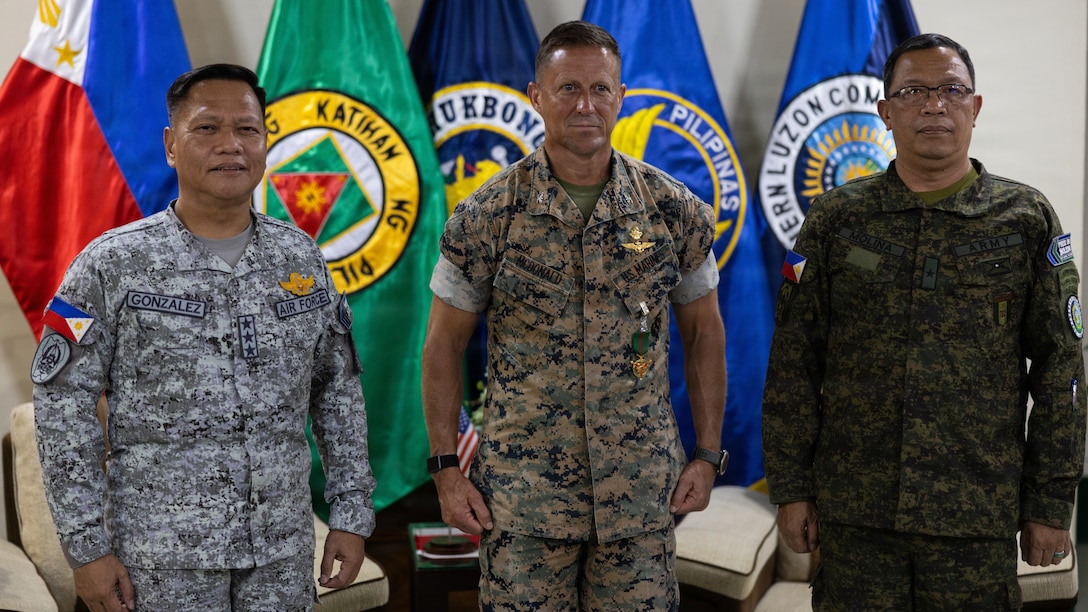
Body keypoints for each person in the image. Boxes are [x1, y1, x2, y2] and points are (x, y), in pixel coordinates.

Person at [30, 63, 375, 611]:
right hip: (161, 562)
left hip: (281, 554)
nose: (230, 146)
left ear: (265, 142)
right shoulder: (111, 265)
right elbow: (62, 405)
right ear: (171, 144)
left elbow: (337, 392)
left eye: (246, 129)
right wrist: (86, 549)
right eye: (207, 129)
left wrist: (351, 514)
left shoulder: (301, 260)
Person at [762, 33, 1087, 610]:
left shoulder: (1026, 219)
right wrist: (791, 488)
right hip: (857, 515)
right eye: (914, 91)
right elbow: (792, 362)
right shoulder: (836, 219)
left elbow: (1062, 374)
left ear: (976, 107)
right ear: (885, 110)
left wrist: (1049, 503)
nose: (935, 105)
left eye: (951, 90)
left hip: (976, 515)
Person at [421, 20, 728, 610]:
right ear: (536, 96)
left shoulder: (674, 211)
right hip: (522, 504)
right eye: (567, 89)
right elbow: (441, 346)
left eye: (601, 89)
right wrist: (445, 469)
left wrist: (709, 454)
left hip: (640, 498)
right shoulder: (486, 216)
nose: (585, 105)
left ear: (620, 95)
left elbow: (705, 333)